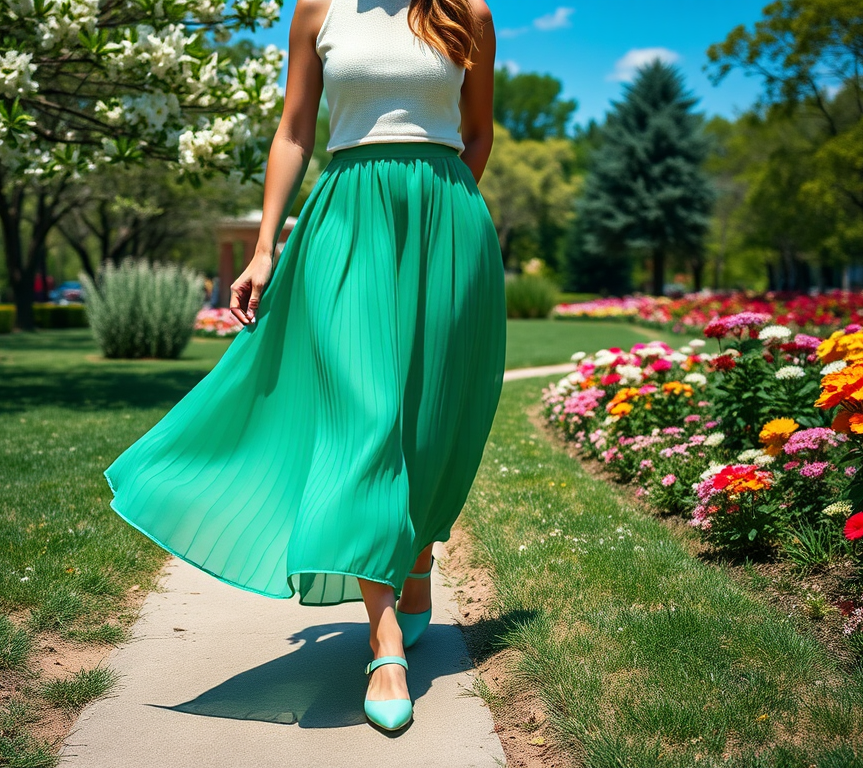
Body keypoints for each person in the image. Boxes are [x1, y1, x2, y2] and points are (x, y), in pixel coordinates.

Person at [103, 0, 504, 733]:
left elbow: (477, 132)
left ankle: (414, 560)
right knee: (366, 413)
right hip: (347, 219)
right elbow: (294, 131)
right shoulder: (317, 9)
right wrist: (264, 247)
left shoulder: (467, 10)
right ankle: (385, 644)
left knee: (431, 416)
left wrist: (445, 211)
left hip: (446, 220)